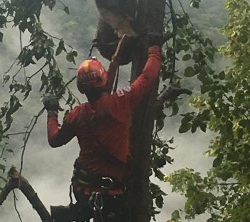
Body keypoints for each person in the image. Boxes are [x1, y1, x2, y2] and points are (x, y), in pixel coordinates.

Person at [43, 35, 162, 222]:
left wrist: (51, 112)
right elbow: (147, 77)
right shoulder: (120, 102)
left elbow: (54, 139)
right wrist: (154, 49)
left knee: (88, 208)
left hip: (82, 188)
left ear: (81, 88)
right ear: (103, 79)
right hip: (111, 194)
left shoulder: (76, 115)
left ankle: (79, 211)